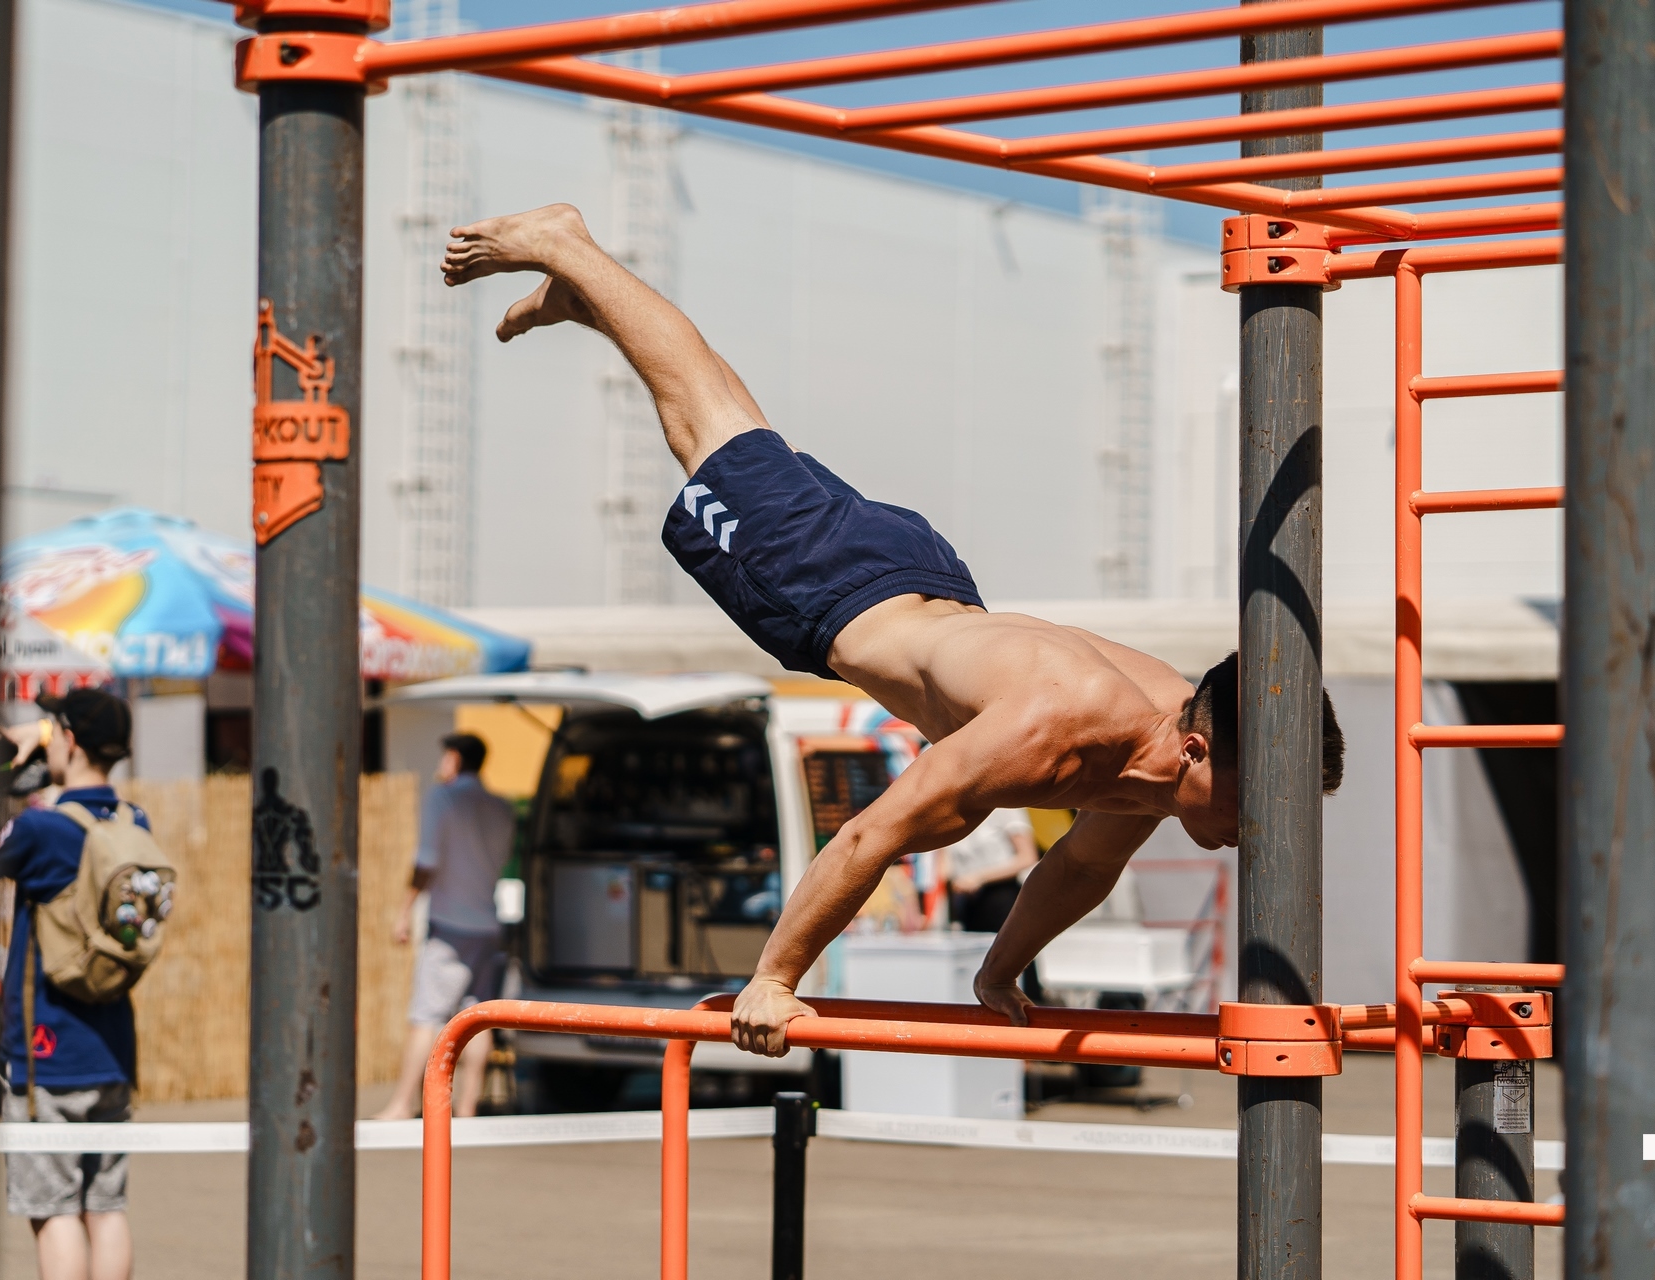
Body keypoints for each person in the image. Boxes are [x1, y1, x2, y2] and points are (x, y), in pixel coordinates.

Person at [440, 203, 1344, 1059]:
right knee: (702, 425)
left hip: (922, 582)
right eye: (1253, 807)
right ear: (1197, 749)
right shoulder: (1054, 727)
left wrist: (999, 970)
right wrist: (775, 979)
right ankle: (568, 244)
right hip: (836, 592)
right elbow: (868, 836)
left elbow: (1080, 868)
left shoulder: (1156, 761)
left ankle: (591, 300)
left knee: (739, 434)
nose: (1259, 834)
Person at [0, 689, 141, 1280]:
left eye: (53, 730)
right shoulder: (133, 822)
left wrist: (0, 776)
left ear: (71, 741)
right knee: (105, 1206)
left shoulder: (39, 829)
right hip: (113, 1047)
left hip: (46, 1052)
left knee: (52, 1210)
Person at [374, 733, 516, 1120]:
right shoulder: (501, 807)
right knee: (479, 1016)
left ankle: (402, 1104)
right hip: (488, 923)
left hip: (451, 923)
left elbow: (426, 861)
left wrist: (404, 910)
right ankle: (468, 1106)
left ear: (454, 759)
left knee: (426, 1015)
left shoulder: (443, 799)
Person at [942, 807, 1039, 936]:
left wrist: (979, 877)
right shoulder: (955, 813)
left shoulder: (1006, 808)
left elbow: (1027, 857)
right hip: (968, 905)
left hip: (1002, 900)